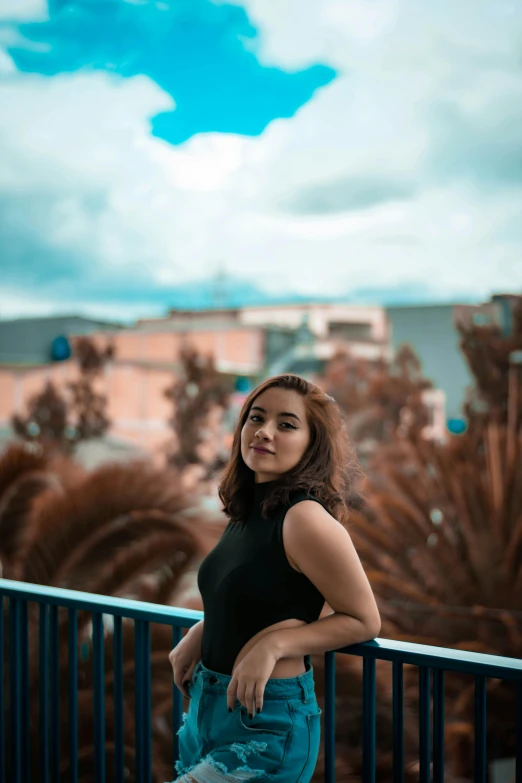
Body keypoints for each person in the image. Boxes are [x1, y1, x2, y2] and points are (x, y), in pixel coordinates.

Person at [168, 374, 381, 783]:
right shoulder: (248, 511)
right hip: (207, 708)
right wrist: (204, 628)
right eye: (256, 417)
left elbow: (363, 619)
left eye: (286, 424)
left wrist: (275, 644)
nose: (264, 432)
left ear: (310, 444)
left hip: (267, 727)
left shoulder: (305, 519)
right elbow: (260, 593)